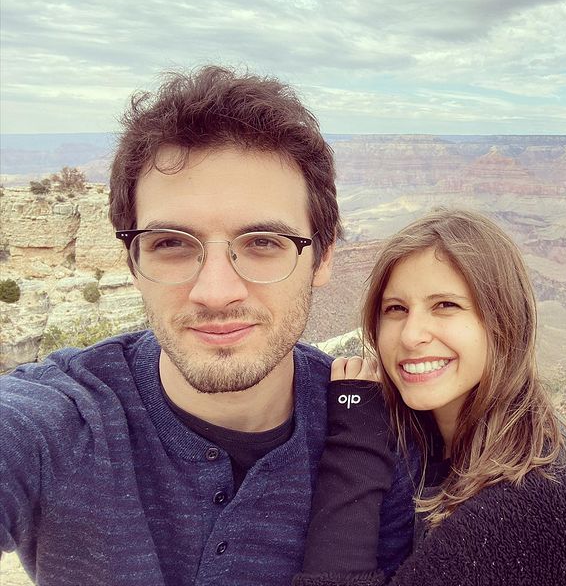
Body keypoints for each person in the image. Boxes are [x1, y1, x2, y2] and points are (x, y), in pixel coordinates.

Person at [0, 66, 416, 586]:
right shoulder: (58, 422)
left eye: (264, 242)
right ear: (131, 261)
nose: (216, 292)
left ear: (324, 257)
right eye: (172, 243)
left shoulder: (382, 442)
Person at [295, 208, 566, 586]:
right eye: (396, 309)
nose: (410, 335)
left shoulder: (533, 500)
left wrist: (354, 448)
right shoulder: (447, 450)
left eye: (446, 305)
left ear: (504, 322)